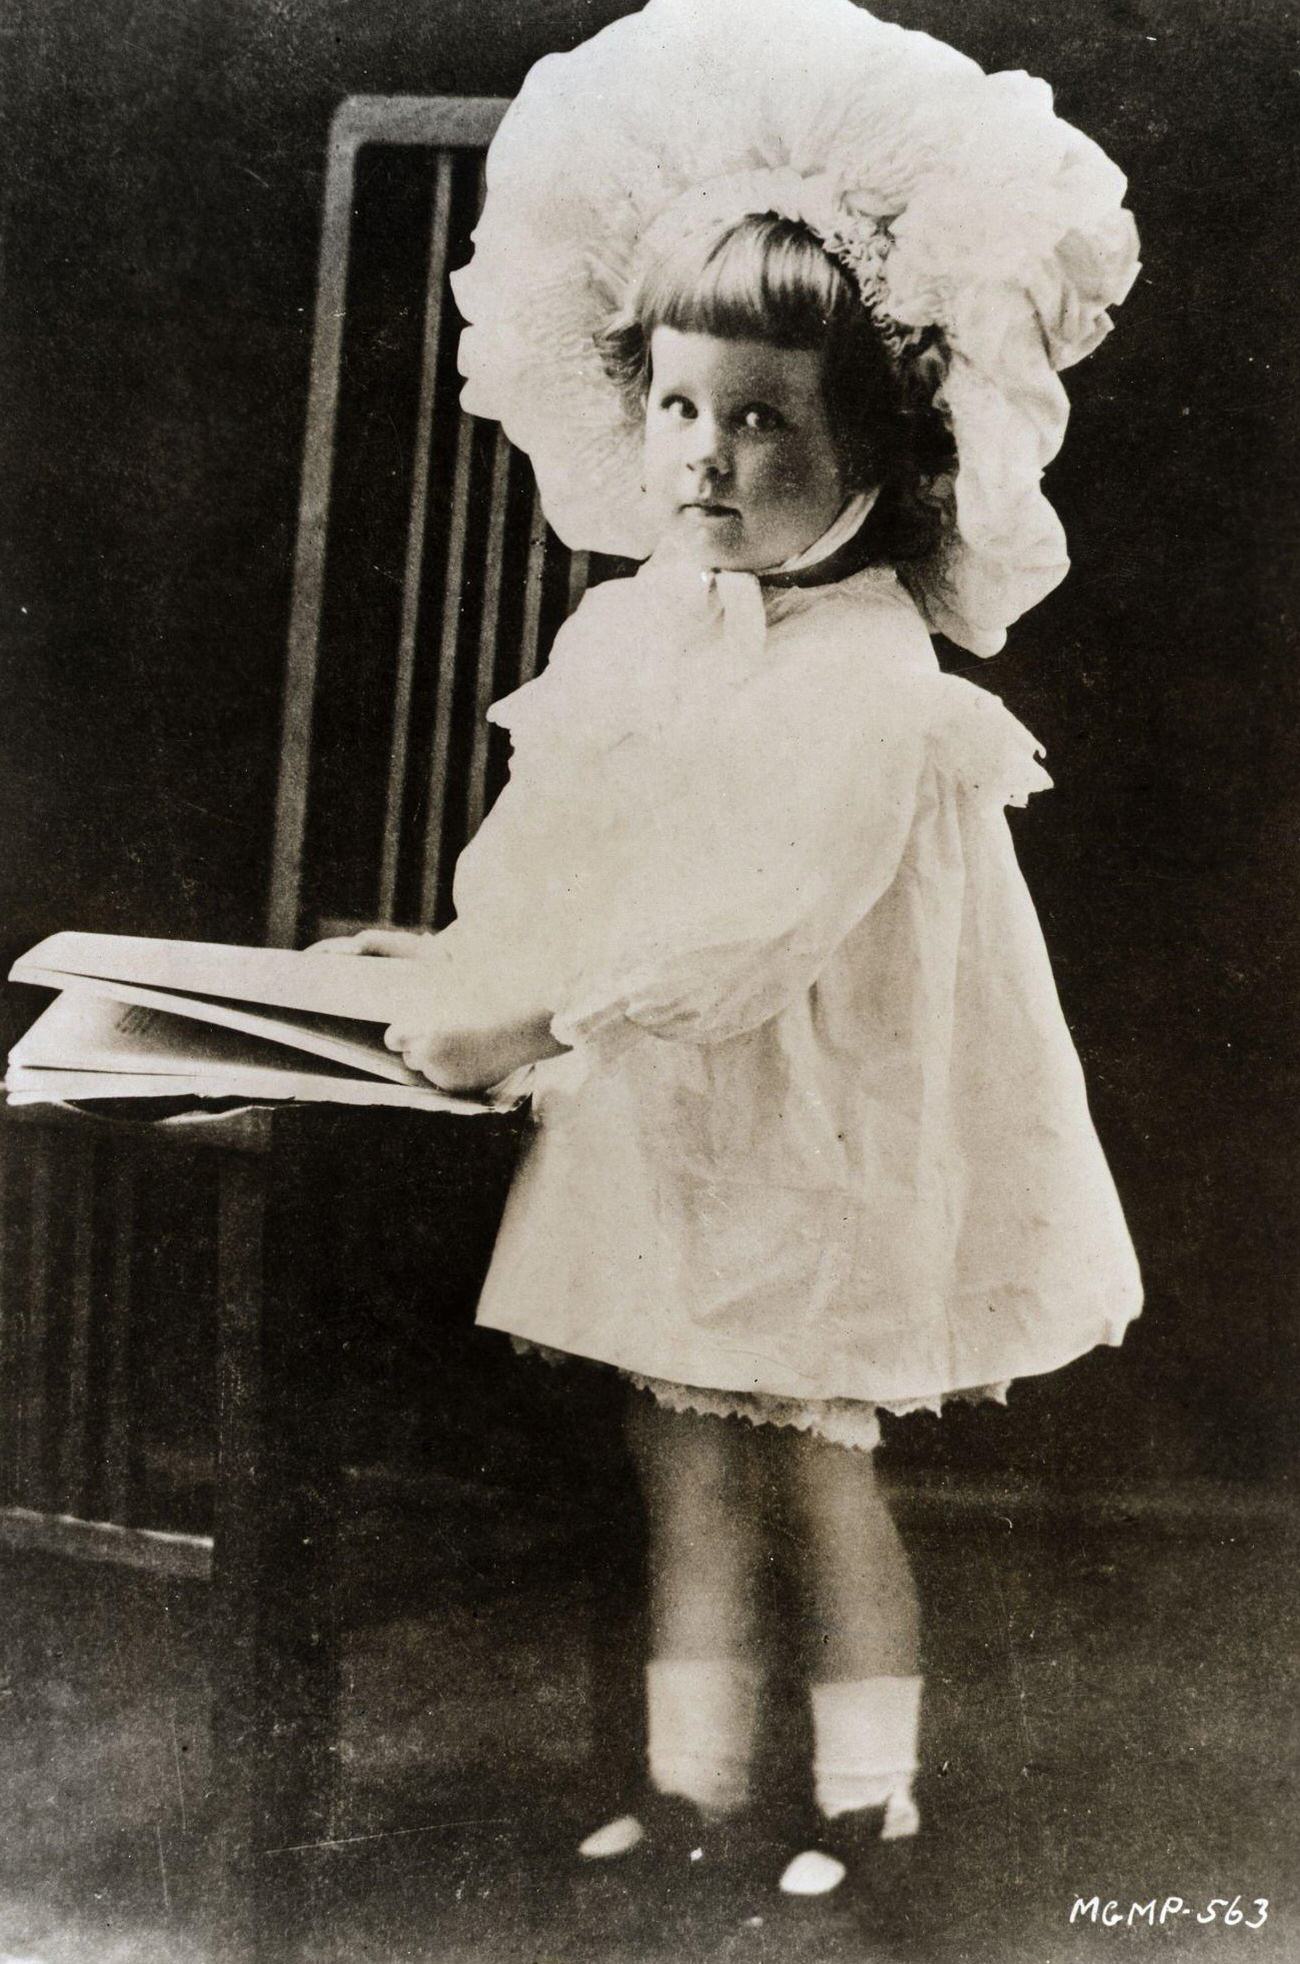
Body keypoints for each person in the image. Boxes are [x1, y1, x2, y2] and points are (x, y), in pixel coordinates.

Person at [315, 0, 1143, 1928]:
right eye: (682, 409)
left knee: (811, 1463)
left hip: (818, 1129)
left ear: (874, 436)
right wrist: (462, 946)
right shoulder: (637, 634)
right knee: (670, 1437)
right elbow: (564, 846)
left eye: (764, 421)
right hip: (659, 1120)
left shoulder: (873, 682)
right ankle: (692, 1786)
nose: (707, 458)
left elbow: (750, 924)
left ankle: (868, 1801)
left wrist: (538, 1007)